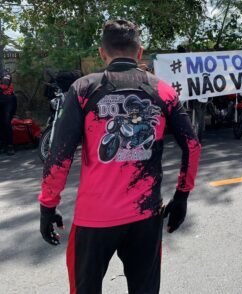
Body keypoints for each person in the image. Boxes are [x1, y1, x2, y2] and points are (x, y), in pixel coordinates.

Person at [38, 19, 201, 294]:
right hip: (145, 216)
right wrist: (182, 196)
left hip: (94, 219)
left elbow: (59, 154)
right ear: (140, 52)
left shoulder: (83, 89)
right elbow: (193, 146)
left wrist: (47, 205)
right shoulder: (163, 90)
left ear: (103, 53)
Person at [0, 68, 17, 155]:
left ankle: (10, 146)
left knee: (6, 122)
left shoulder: (5, 72)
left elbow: (5, 85)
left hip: (8, 99)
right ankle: (3, 144)